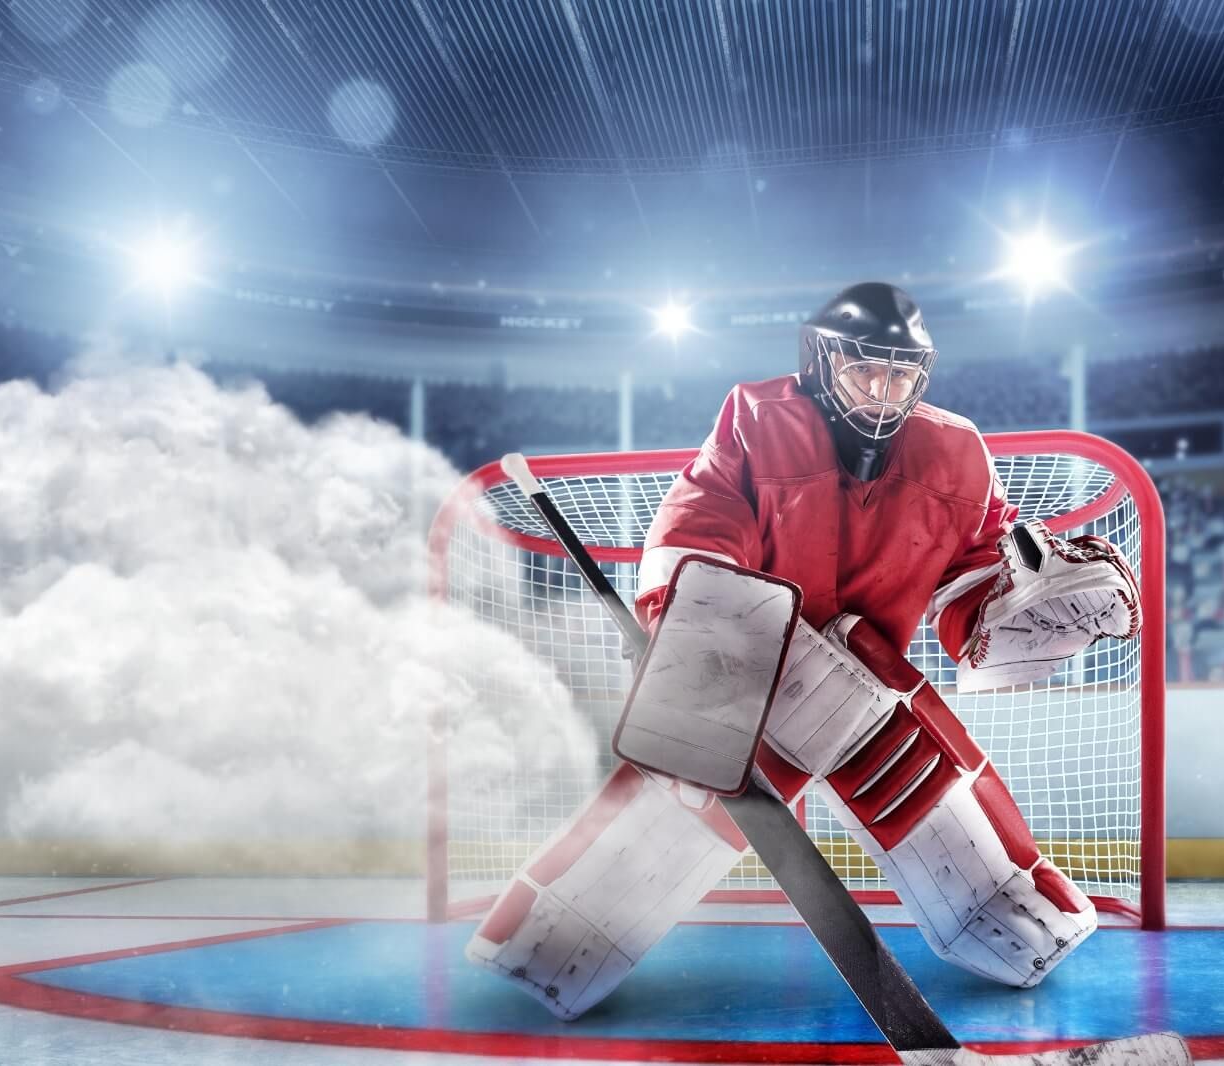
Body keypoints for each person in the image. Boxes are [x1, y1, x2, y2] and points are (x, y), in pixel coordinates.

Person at [465, 282, 1143, 1019]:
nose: (884, 393)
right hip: (761, 664)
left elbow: (973, 585)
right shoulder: (758, 419)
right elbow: (699, 522)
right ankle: (550, 943)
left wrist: (1023, 608)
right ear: (822, 363)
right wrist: (688, 626)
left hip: (869, 677)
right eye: (865, 372)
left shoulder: (956, 454)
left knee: (908, 775)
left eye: (900, 375)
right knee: (690, 790)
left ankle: (547, 942)